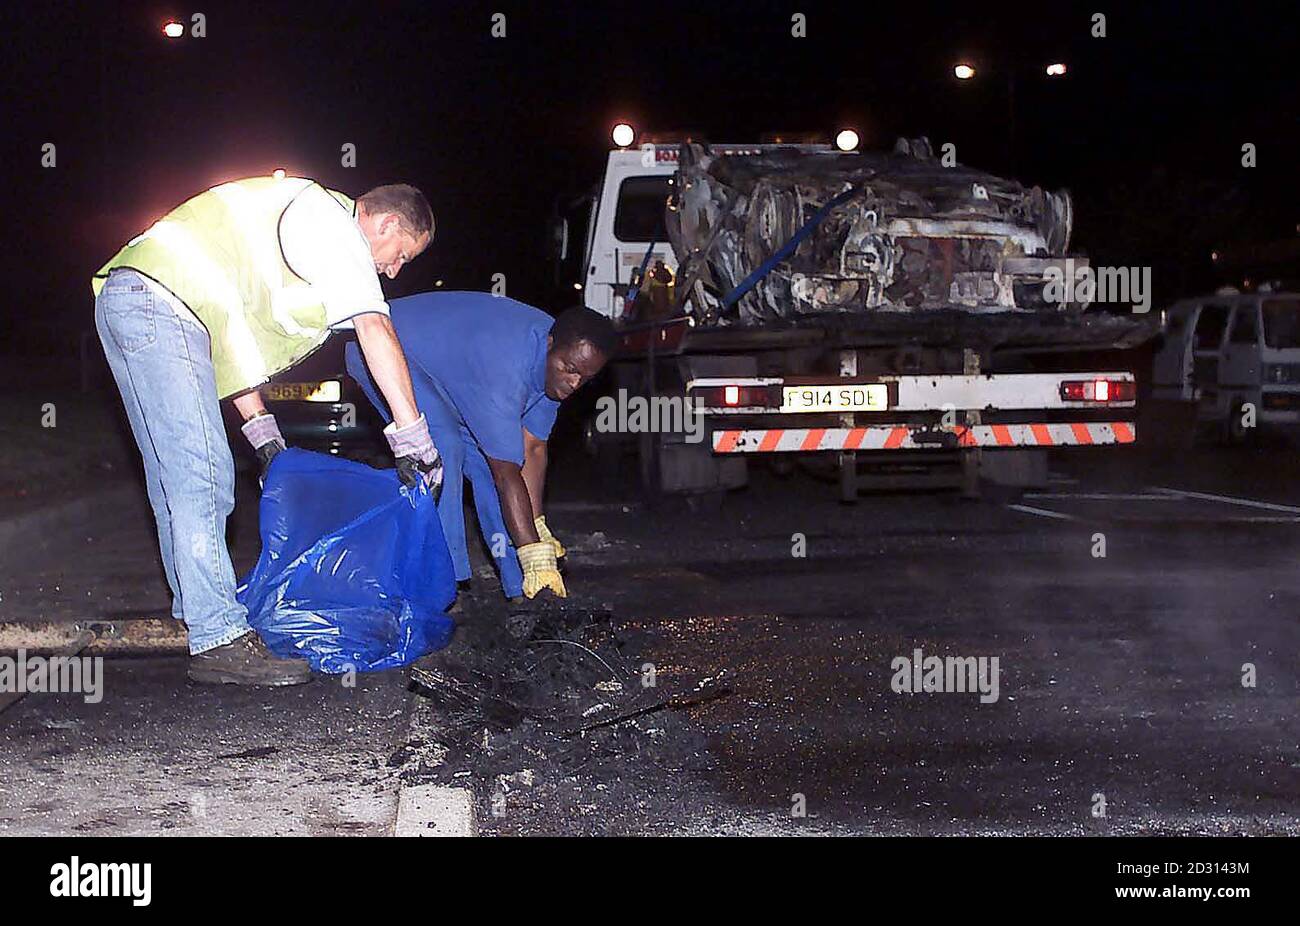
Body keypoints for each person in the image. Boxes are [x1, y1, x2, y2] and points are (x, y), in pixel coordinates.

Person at [92, 176, 443, 686]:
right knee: (203, 475)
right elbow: (375, 328)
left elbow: (229, 344)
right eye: (401, 255)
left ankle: (195, 608)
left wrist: (262, 432)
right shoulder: (331, 223)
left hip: (134, 298)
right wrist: (413, 438)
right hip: (160, 305)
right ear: (386, 223)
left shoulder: (292, 234)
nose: (392, 270)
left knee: (172, 473)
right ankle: (218, 636)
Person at [345, 293, 617, 603]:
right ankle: (442, 587)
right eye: (570, 369)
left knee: (492, 466)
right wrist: (532, 549)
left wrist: (537, 527)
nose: (574, 383)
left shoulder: (553, 367)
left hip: (451, 371)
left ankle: (523, 591)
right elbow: (507, 473)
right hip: (385, 347)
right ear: (550, 343)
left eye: (585, 377)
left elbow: (533, 449)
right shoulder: (506, 366)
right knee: (444, 448)